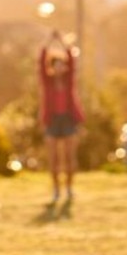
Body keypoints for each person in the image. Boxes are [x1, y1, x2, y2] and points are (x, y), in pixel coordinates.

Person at [38, 30, 83, 203]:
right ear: (52, 67)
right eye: (55, 65)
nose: (58, 68)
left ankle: (69, 188)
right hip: (52, 120)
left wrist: (62, 42)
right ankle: (56, 190)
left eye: (61, 65)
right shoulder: (47, 81)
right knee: (54, 158)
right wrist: (49, 41)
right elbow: (41, 62)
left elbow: (72, 60)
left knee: (69, 157)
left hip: (68, 119)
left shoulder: (69, 80)